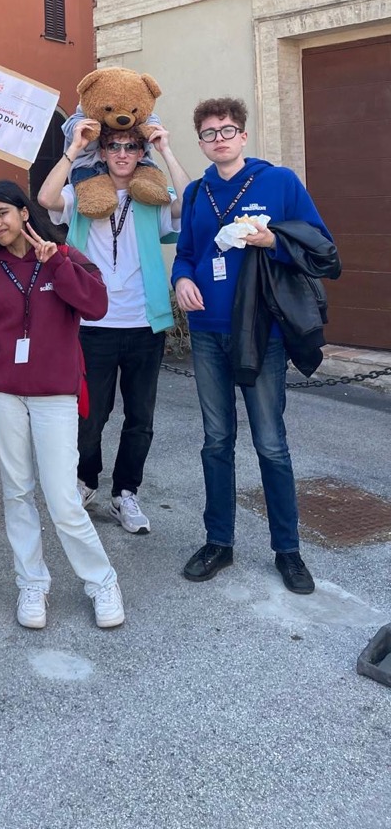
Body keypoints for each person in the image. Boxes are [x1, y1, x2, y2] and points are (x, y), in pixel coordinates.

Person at [172, 98, 331, 595]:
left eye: (228, 130)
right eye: (209, 133)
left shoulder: (278, 182)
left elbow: (321, 246)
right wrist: (180, 282)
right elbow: (186, 254)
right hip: (206, 332)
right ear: (200, 142)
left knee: (270, 443)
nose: (219, 138)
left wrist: (272, 244)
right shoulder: (197, 193)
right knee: (216, 441)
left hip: (263, 333)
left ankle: (288, 551)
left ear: (243, 136)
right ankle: (219, 542)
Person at [0, 181, 124, 632]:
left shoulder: (67, 256)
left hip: (56, 393)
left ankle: (102, 581)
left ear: (23, 212)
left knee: (62, 497)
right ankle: (31, 583)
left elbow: (96, 306)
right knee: (17, 492)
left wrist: (58, 266)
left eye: (3, 213)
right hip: (3, 394)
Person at [37, 123, 190, 533]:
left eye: (131, 146)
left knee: (140, 417)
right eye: (114, 146)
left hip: (145, 323)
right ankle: (86, 481)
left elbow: (188, 202)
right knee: (91, 415)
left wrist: (166, 148)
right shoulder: (86, 193)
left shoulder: (152, 197)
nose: (123, 153)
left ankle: (126, 493)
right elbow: (46, 198)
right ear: (103, 152)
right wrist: (75, 147)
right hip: (93, 324)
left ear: (141, 152)